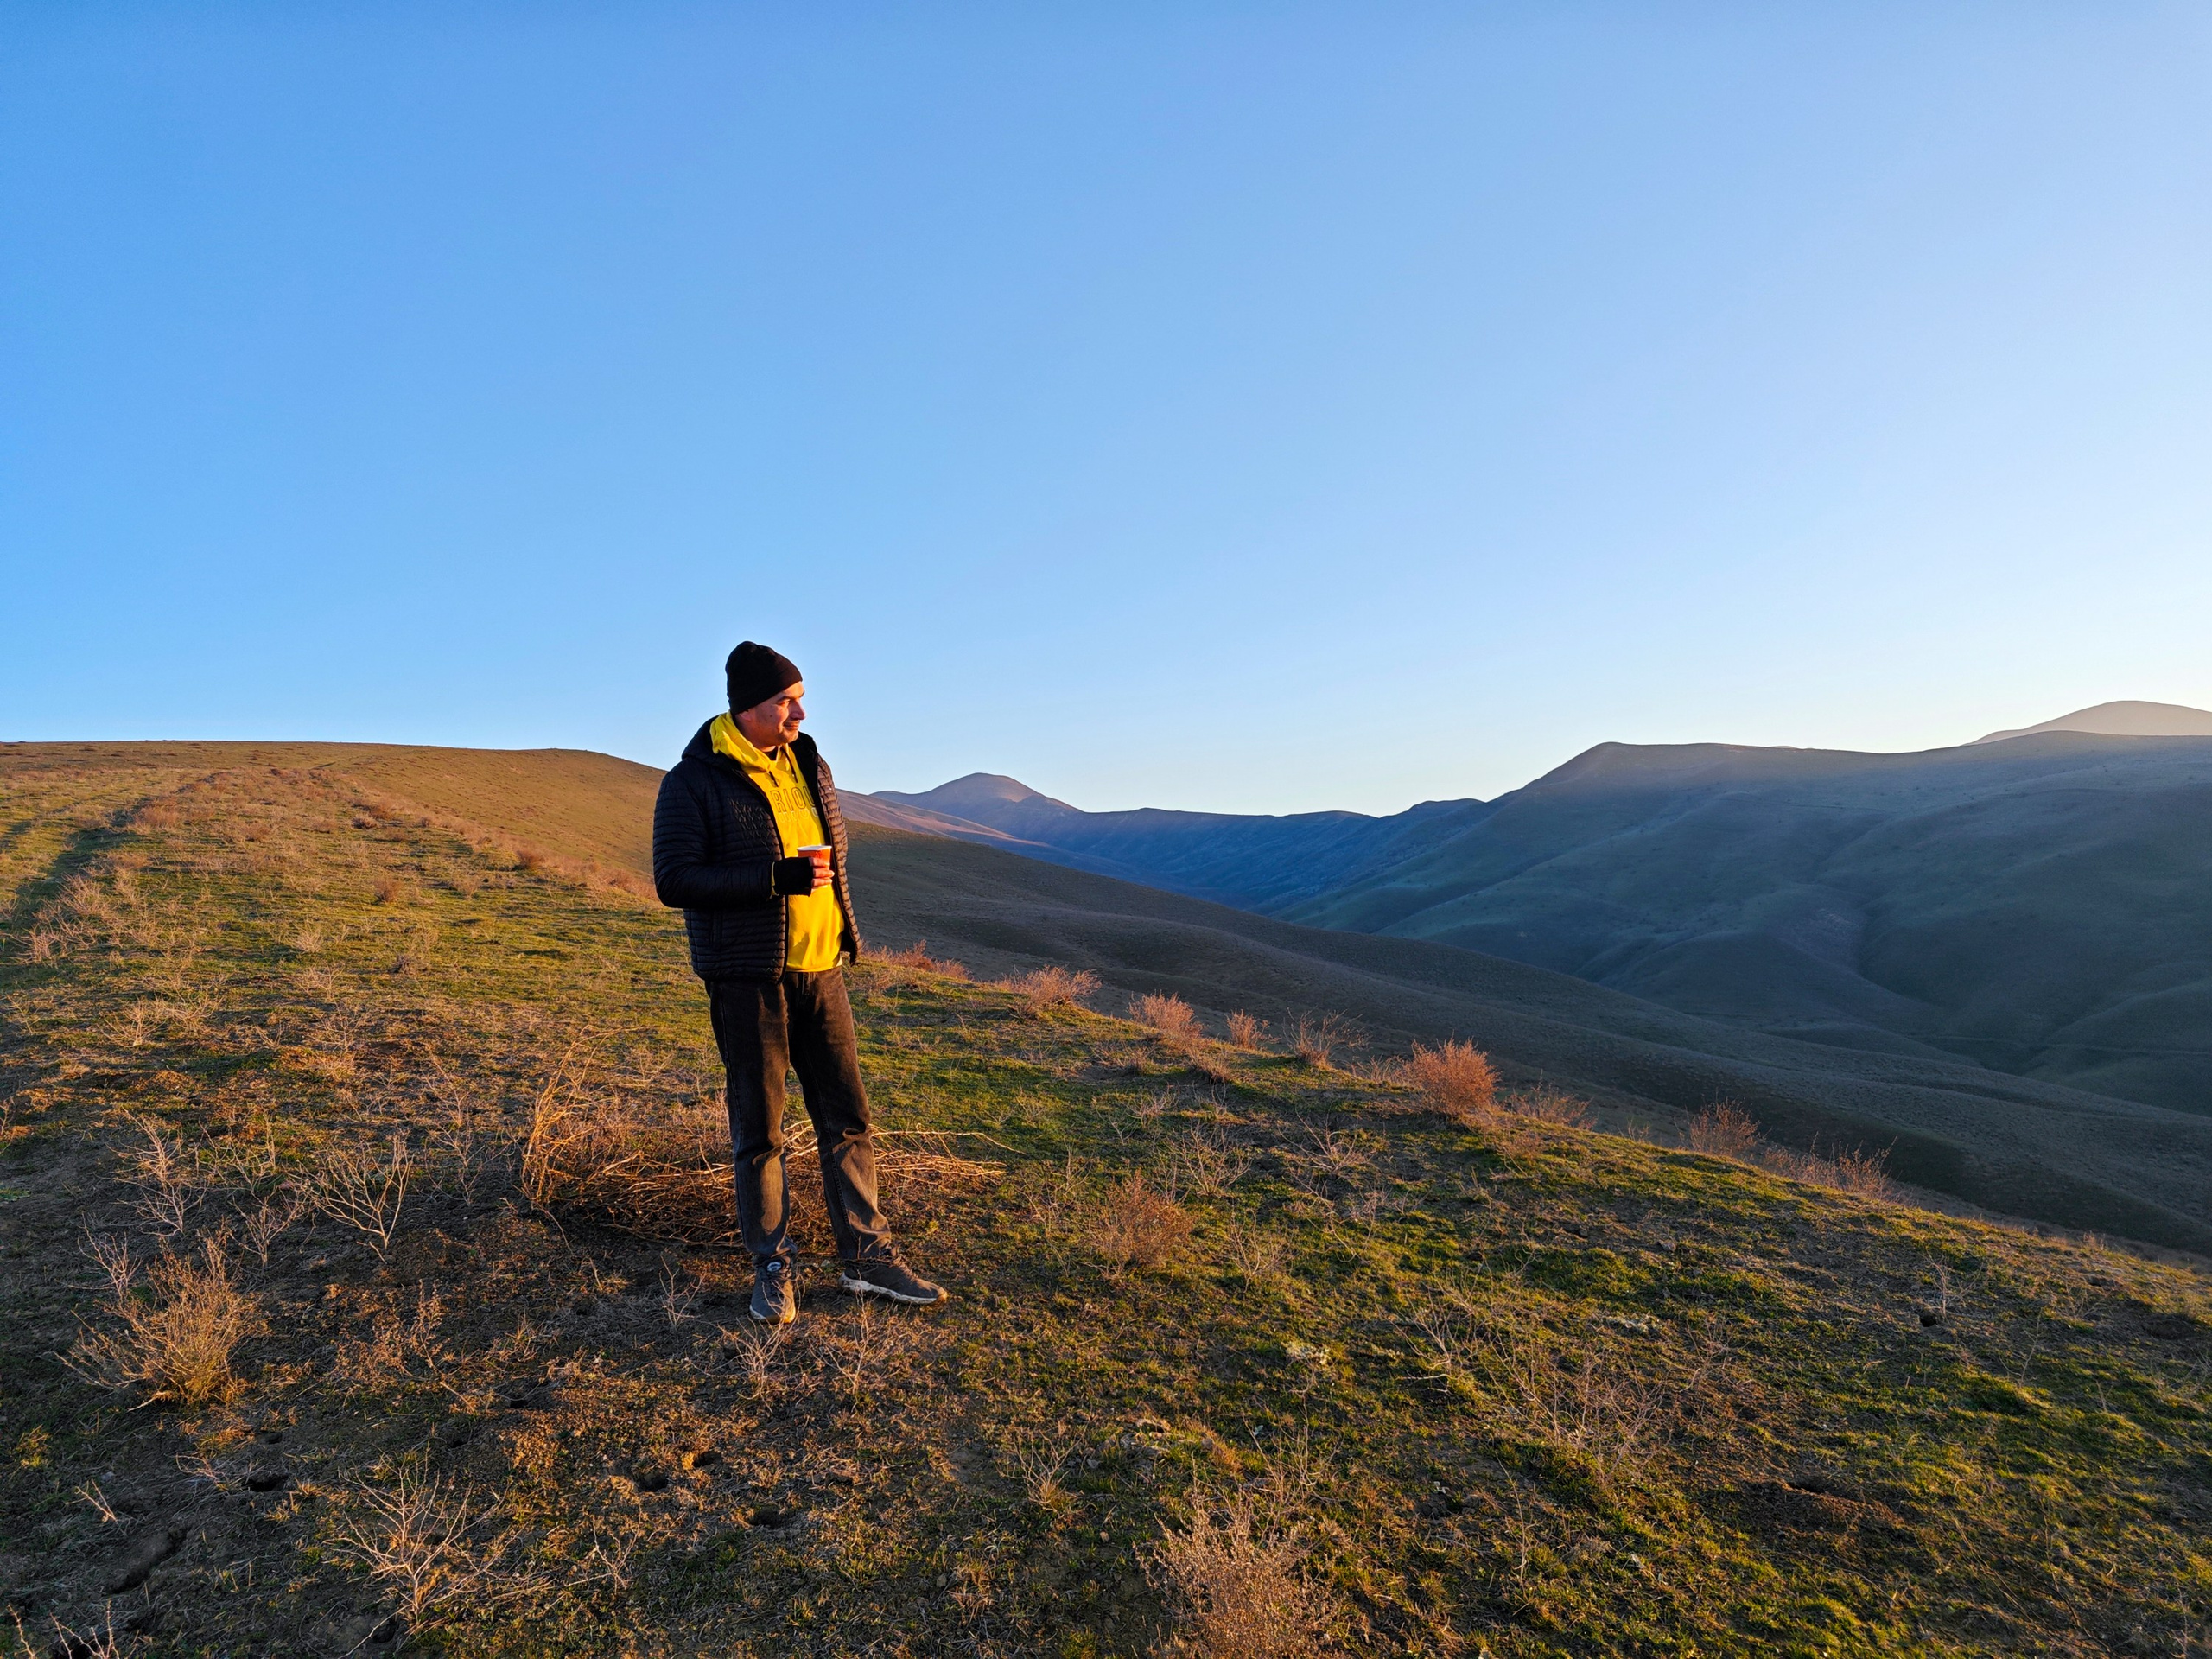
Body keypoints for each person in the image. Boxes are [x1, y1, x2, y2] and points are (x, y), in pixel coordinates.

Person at [652, 641, 946, 1325]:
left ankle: (867, 1259)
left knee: (847, 1118)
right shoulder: (695, 781)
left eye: (799, 698)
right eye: (786, 701)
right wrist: (771, 880)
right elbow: (674, 880)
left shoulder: (811, 763)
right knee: (762, 1131)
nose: (800, 711)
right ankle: (773, 1266)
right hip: (748, 980)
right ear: (748, 707)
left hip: (823, 972)